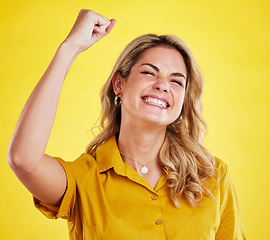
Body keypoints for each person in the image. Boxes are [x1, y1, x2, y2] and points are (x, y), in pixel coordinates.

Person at [7, 9, 246, 240]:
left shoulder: (213, 176)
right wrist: (69, 48)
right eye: (149, 73)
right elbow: (24, 160)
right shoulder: (86, 179)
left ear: (183, 100)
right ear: (119, 85)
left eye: (176, 81)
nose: (163, 85)